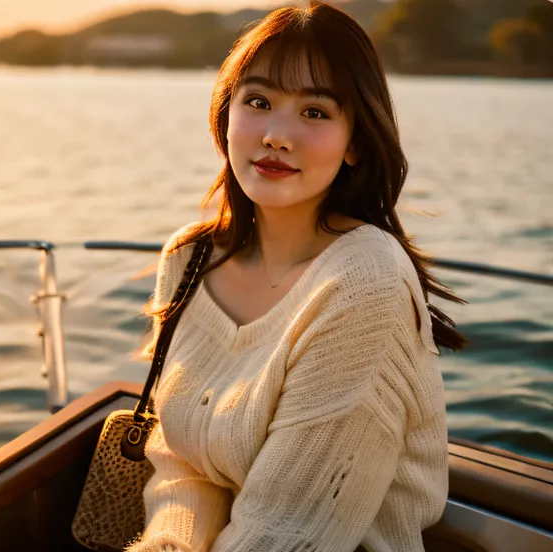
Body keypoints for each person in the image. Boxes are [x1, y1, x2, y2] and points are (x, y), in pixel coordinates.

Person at [128, 2, 467, 551]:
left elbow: (289, 535)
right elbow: (184, 463)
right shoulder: (189, 259)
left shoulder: (365, 283)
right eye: (258, 102)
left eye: (314, 113)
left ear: (356, 141)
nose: (277, 136)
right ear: (226, 115)